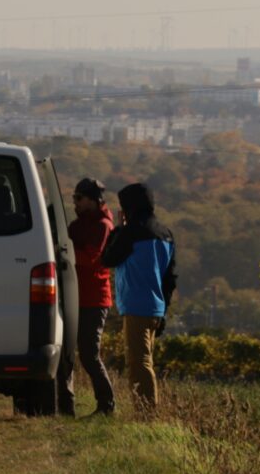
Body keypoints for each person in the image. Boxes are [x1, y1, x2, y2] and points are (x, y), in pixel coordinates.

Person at [101, 182, 177, 413]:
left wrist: (116, 231)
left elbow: (108, 259)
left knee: (139, 362)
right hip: (156, 306)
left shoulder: (130, 233)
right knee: (145, 359)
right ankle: (144, 409)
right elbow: (170, 277)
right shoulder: (166, 234)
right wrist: (164, 310)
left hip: (136, 305)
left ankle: (146, 413)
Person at [61, 177, 118, 418]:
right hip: (74, 294)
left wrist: (65, 252)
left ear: (93, 201)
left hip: (94, 298)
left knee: (88, 354)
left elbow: (91, 258)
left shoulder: (103, 225)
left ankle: (106, 406)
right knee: (65, 353)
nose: (74, 202)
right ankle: (65, 406)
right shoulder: (79, 224)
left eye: (78, 198)